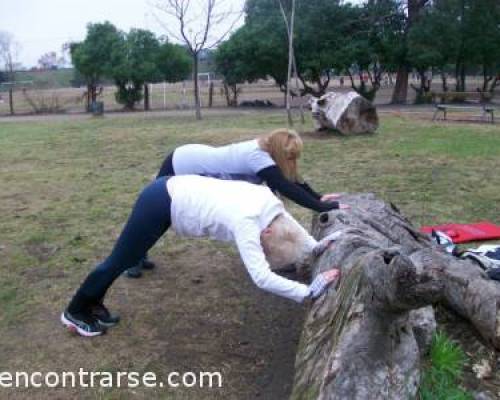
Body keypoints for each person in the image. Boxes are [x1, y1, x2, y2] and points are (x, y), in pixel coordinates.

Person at [61, 175, 342, 337]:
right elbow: (261, 277)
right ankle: (75, 311)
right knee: (119, 260)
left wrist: (315, 245)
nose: (261, 248)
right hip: (160, 200)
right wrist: (308, 293)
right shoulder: (247, 223)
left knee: (123, 259)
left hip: (173, 192)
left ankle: (93, 305)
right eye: (265, 247)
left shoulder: (271, 204)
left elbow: (291, 228)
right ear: (266, 234)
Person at [127, 128, 347, 277]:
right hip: (182, 163)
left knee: (159, 220)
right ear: (279, 151)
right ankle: (133, 259)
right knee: (158, 218)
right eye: (289, 157)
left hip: (191, 158)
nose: (292, 161)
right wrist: (325, 208)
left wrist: (319, 197)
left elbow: (292, 181)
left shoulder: (266, 152)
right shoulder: (257, 157)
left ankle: (138, 255)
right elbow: (287, 187)